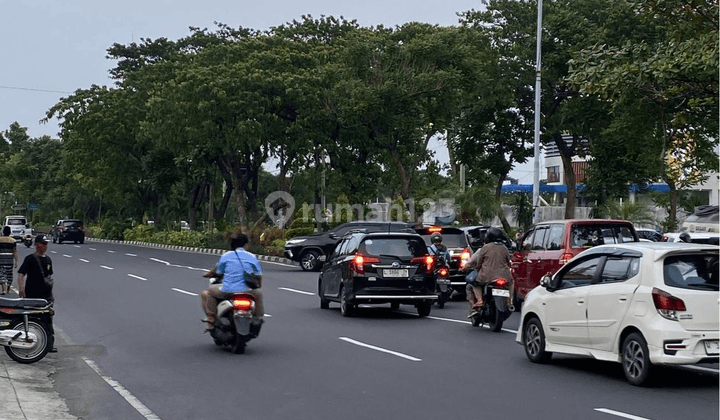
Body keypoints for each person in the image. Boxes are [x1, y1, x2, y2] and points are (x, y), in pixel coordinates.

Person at [200, 233, 264, 329]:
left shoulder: (226, 256)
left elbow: (218, 271)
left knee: (209, 292)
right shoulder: (252, 257)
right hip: (247, 290)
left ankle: (211, 316)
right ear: (246, 245)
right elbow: (258, 275)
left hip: (228, 290)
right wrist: (258, 285)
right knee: (258, 294)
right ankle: (258, 317)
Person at [17, 234, 56, 351]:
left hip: (46, 295)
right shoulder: (30, 259)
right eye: (43, 243)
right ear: (36, 244)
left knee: (47, 319)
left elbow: (49, 276)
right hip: (32, 293)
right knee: (31, 318)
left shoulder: (48, 260)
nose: (45, 246)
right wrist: (21, 288)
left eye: (46, 244)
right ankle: (28, 340)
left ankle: (49, 344)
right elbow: (21, 274)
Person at [464, 227, 513, 317]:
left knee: (475, 283)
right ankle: (509, 301)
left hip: (486, 276)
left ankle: (479, 300)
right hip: (504, 275)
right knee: (511, 283)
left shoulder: (485, 248)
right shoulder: (504, 248)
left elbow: (479, 262)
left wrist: (478, 267)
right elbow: (508, 261)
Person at [0, 226, 18, 294]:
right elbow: (15, 251)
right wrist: (16, 261)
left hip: (1, 261)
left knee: (2, 275)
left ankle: (4, 289)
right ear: (10, 232)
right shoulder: (13, 241)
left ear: (3, 232)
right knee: (9, 275)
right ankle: (7, 288)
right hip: (10, 261)